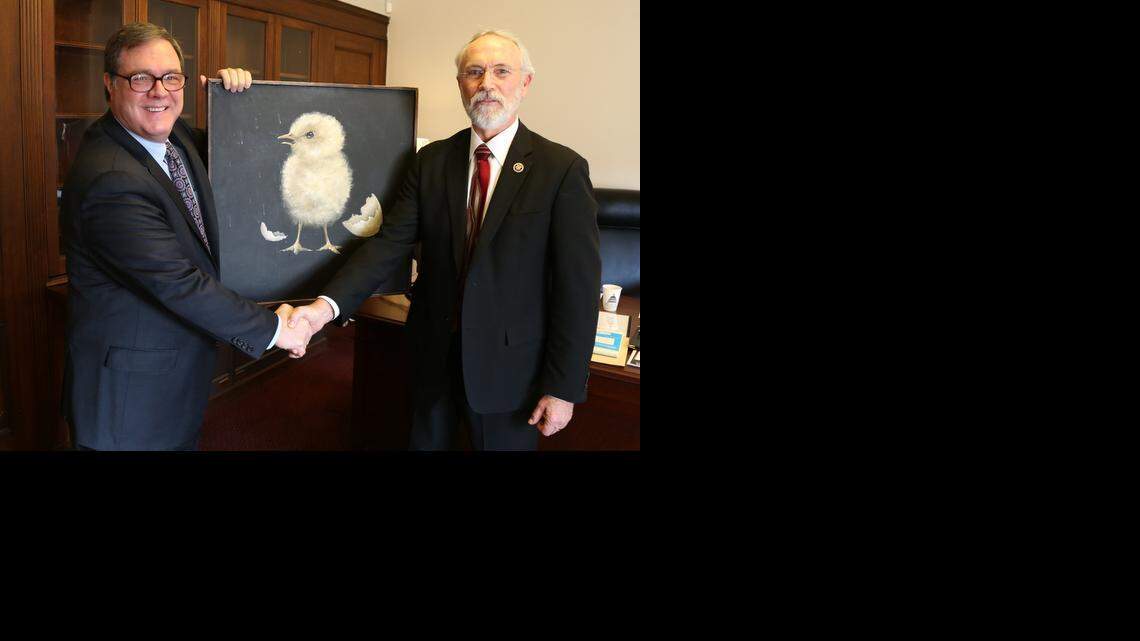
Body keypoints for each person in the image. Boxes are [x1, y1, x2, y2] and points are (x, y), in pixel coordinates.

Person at [287, 29, 601, 450]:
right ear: (460, 85)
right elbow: (388, 245)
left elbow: (576, 290)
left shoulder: (561, 169)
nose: (486, 83)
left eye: (501, 71)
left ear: (524, 83)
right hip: (432, 361)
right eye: (474, 72)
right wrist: (324, 309)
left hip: (510, 375)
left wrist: (563, 387)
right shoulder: (431, 161)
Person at [61, 22, 312, 451]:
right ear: (110, 84)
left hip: (168, 378)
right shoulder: (111, 178)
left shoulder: (172, 135)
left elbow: (242, 153)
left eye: (171, 77)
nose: (159, 91)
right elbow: (178, 282)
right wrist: (276, 329)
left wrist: (234, 100)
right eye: (140, 78)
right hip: (130, 403)